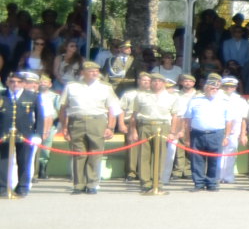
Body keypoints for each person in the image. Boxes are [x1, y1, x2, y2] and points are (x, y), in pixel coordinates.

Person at [56, 60, 120, 194]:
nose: (94, 73)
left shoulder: (105, 87)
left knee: (95, 153)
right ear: (83, 73)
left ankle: (92, 184)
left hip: (97, 121)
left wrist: (110, 127)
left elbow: (112, 108)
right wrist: (64, 127)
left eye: (96, 71)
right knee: (78, 153)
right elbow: (63, 108)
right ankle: (78, 184)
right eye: (91, 71)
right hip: (77, 121)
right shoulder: (71, 86)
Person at [181, 75, 240, 192]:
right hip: (197, 134)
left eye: (216, 89)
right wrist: (187, 138)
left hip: (216, 134)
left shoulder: (224, 102)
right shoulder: (195, 101)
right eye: (212, 88)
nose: (214, 90)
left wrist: (226, 136)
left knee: (215, 160)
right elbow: (187, 120)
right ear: (205, 88)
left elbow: (228, 121)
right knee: (197, 160)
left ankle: (212, 183)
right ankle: (198, 183)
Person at [125, 70, 180, 195]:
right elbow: (134, 115)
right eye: (154, 81)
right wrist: (133, 131)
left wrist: (172, 132)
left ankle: (157, 183)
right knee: (144, 155)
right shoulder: (141, 96)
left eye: (159, 81)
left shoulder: (171, 97)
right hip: (145, 125)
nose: (156, 83)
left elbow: (175, 116)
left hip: (162, 125)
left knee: (160, 155)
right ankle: (145, 183)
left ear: (164, 83)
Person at [4, 68, 46, 197]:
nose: (15, 84)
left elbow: (40, 116)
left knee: (24, 161)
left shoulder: (32, 96)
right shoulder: (2, 95)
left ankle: (22, 187)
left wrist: (38, 134)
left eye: (18, 82)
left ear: (23, 83)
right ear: (7, 83)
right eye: (12, 81)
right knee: (3, 162)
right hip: (4, 134)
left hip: (25, 134)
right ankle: (2, 187)